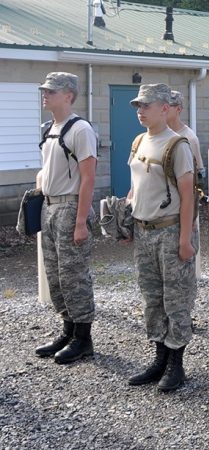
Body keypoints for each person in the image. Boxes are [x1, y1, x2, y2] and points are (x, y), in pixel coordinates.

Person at [126, 83, 197, 392]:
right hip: (144, 231)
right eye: (138, 106)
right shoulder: (140, 140)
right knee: (152, 297)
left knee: (176, 299)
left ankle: (175, 365)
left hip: (169, 231)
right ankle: (159, 359)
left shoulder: (176, 145)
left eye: (146, 105)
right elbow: (135, 185)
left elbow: (188, 196)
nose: (140, 111)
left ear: (165, 108)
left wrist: (185, 240)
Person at [34, 72, 98, 364]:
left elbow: (88, 178)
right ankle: (68, 330)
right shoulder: (49, 128)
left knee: (74, 276)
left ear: (69, 95)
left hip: (70, 207)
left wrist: (81, 221)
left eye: (51, 91)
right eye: (44, 90)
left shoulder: (80, 129)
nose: (45, 94)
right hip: (49, 207)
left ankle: (83, 339)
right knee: (55, 274)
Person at [167, 90, 204, 180]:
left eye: (168, 106)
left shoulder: (189, 138)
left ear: (178, 109)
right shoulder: (160, 133)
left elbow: (198, 173)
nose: (163, 109)